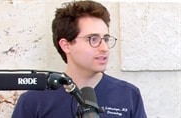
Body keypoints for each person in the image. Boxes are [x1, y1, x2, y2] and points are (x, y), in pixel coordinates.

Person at [12, 0, 147, 118]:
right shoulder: (34, 100)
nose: (104, 47)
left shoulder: (128, 95)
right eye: (93, 39)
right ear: (66, 45)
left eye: (105, 38)